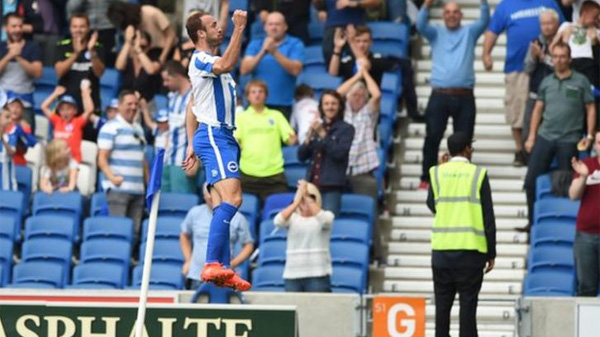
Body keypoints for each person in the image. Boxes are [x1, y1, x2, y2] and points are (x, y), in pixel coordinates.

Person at [181, 10, 251, 291]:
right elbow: (226, 64)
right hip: (214, 134)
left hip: (217, 136)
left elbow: (192, 103)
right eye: (212, 25)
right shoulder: (201, 59)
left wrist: (189, 142)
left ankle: (222, 265)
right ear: (200, 34)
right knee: (232, 200)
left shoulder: (207, 63)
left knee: (227, 201)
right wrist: (239, 29)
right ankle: (211, 263)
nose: (219, 28)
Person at [426, 132, 497, 337]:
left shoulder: (437, 173)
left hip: (441, 252)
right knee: (468, 308)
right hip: (470, 252)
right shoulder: (478, 174)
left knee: (442, 308)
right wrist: (491, 252)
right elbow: (488, 216)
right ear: (467, 149)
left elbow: (433, 205)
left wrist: (441, 168)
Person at [416, 0, 489, 190]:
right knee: (432, 137)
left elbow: (484, 20)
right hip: (439, 95)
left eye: (456, 12)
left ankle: (464, 178)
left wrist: (483, 2)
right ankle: (426, 177)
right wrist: (426, 5)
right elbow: (420, 25)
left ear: (461, 15)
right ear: (443, 15)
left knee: (464, 140)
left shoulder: (470, 33)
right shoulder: (436, 33)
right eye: (447, 12)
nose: (451, 15)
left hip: (464, 96)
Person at [523, 42, 596, 232]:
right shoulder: (546, 81)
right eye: (555, 56)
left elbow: (590, 108)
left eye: (563, 56)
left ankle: (565, 227)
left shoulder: (581, 81)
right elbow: (537, 110)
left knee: (566, 185)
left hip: (570, 139)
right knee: (530, 181)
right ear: (551, 58)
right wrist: (531, 137)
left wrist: (589, 135)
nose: (559, 60)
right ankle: (532, 224)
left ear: (569, 58)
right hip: (545, 136)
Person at [483, 0, 564, 167]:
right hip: (517, 67)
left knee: (547, 110)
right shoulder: (506, 5)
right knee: (517, 110)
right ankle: (521, 150)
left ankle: (544, 151)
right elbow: (492, 30)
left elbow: (564, 28)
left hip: (549, 67)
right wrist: (486, 53)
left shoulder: (549, 2)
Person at [328, 25, 419, 121]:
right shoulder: (349, 59)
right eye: (358, 41)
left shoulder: (377, 58)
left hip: (370, 108)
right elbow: (333, 72)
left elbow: (364, 64)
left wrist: (351, 42)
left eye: (365, 41)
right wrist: (337, 49)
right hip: (348, 107)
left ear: (371, 42)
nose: (361, 45)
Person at [180, 182, 254, 290]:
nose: (213, 201)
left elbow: (248, 245)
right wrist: (188, 260)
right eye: (210, 198)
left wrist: (233, 263)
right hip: (197, 275)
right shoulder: (194, 213)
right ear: (204, 197)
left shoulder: (237, 217)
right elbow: (184, 235)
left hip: (224, 276)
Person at [235, 79, 297, 202]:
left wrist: (295, 137)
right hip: (247, 174)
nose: (257, 95)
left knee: (279, 214)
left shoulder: (276, 115)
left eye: (260, 91)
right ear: (247, 96)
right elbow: (236, 141)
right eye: (253, 92)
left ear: (266, 95)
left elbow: (291, 141)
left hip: (274, 175)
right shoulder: (240, 117)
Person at [97, 90, 148, 232]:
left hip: (138, 189)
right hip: (119, 189)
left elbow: (142, 159)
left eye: (136, 104)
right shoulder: (110, 127)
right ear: (119, 106)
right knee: (118, 230)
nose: (133, 107)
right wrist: (112, 178)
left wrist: (148, 183)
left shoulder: (139, 128)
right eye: (129, 104)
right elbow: (101, 158)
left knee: (135, 232)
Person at [298, 89, 355, 216]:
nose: (330, 107)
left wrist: (323, 134)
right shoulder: (317, 127)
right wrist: (309, 137)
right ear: (321, 107)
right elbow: (301, 156)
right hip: (312, 186)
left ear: (340, 106)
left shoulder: (346, 129)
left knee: (328, 224)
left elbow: (339, 153)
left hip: (332, 187)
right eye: (326, 104)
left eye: (334, 104)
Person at [240, 12, 304, 119]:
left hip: (283, 104)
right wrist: (263, 52)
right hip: (257, 103)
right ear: (265, 27)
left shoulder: (295, 44)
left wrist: (274, 52)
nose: (273, 27)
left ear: (285, 27)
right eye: (270, 24)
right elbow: (244, 70)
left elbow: (296, 70)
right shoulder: (256, 44)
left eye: (277, 24)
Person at [275, 180, 335, 292]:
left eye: (312, 197)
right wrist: (296, 202)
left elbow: (326, 221)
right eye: (302, 199)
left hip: (318, 274)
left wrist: (306, 196)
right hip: (293, 275)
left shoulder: (326, 216)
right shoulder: (292, 219)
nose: (305, 202)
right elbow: (278, 221)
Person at [337, 66, 380, 201]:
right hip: (340, 169)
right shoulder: (343, 112)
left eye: (361, 96)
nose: (357, 98)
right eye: (354, 95)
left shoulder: (368, 112)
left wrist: (365, 73)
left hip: (363, 169)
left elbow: (377, 95)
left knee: (369, 203)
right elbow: (337, 94)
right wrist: (357, 76)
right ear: (348, 97)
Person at [522, 9, 560, 148]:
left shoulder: (562, 41)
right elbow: (527, 69)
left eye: (550, 23)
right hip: (535, 94)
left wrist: (543, 57)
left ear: (557, 24)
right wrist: (534, 56)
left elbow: (561, 68)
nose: (547, 27)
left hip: (555, 96)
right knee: (528, 133)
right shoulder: (535, 42)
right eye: (543, 24)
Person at [569, 130, 600, 296]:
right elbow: (573, 195)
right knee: (586, 287)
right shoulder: (586, 165)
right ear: (595, 145)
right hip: (586, 235)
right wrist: (582, 177)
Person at [54, 13, 105, 114]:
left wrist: (92, 51)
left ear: (88, 28)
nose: (78, 30)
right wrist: (76, 53)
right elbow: (59, 72)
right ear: (70, 28)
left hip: (90, 105)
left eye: (82, 27)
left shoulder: (97, 47)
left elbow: (100, 73)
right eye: (75, 27)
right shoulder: (62, 46)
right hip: (66, 106)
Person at [0, 12, 42, 130]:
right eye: (13, 26)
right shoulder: (1, 47)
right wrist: (9, 56)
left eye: (20, 26)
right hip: (2, 104)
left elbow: (38, 73)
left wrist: (18, 57)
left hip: (24, 105)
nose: (17, 30)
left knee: (26, 144)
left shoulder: (32, 47)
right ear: (5, 28)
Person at [159, 60, 195, 193]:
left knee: (181, 204)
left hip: (184, 161)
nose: (165, 84)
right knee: (165, 205)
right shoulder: (173, 98)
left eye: (167, 80)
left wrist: (195, 160)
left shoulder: (195, 95)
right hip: (168, 159)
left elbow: (199, 128)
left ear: (177, 76)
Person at [41, 83, 95, 163]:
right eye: (62, 109)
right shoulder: (57, 120)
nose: (65, 112)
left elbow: (89, 110)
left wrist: (85, 93)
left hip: (73, 162)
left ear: (75, 111)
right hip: (58, 162)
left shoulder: (77, 122)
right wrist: (55, 94)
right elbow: (43, 107)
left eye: (68, 109)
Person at [106, 2, 176, 64]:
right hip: (145, 57)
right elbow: (129, 54)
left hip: (165, 51)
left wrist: (162, 58)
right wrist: (129, 41)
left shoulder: (151, 13)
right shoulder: (128, 26)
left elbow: (171, 35)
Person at [313, 0, 379, 65]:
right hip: (332, 27)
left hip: (356, 26)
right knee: (330, 61)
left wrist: (355, 3)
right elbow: (318, 3)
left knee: (358, 63)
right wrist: (321, 10)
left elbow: (375, 1)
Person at [551, 1, 600, 89]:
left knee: (589, 90)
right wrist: (564, 38)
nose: (596, 20)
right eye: (594, 17)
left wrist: (594, 40)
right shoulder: (567, 26)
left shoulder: (595, 31)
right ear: (585, 13)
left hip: (589, 64)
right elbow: (552, 47)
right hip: (572, 61)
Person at [115, 28, 162, 104]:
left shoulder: (154, 60)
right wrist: (128, 42)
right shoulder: (127, 60)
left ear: (149, 47)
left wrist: (138, 50)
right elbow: (119, 67)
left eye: (143, 46)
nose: (139, 47)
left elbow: (151, 70)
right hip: (127, 103)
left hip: (146, 103)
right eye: (135, 45)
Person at [67, 0, 120, 66]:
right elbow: (72, 7)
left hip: (108, 28)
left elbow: (119, 5)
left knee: (109, 60)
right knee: (86, 61)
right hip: (86, 29)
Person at [0, 106, 17, 191]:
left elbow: (12, 152)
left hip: (7, 185)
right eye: (7, 117)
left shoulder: (10, 136)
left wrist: (2, 139)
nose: (10, 120)